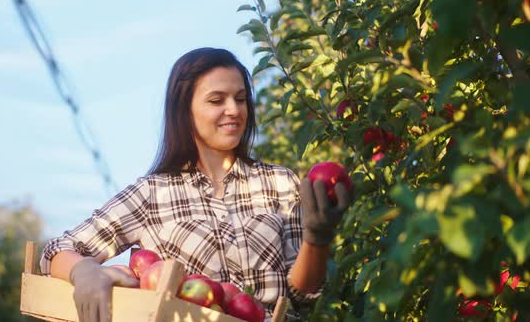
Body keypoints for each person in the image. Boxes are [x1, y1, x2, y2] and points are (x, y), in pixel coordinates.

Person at [39, 47, 351, 322]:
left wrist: (317, 237)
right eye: (217, 100)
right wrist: (84, 271)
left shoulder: (279, 182)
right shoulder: (152, 193)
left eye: (241, 99)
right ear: (184, 111)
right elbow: (59, 249)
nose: (234, 109)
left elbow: (302, 296)